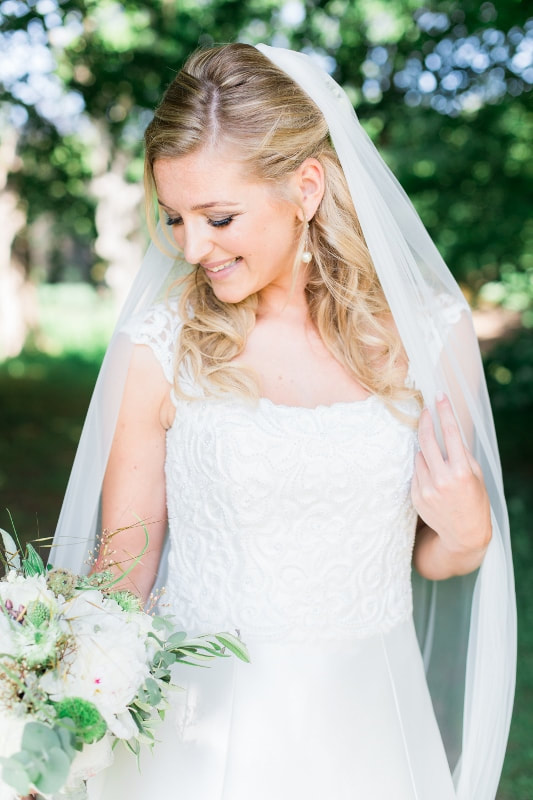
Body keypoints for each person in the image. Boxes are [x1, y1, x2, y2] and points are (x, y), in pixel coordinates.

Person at [51, 44, 516, 799]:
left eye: (219, 216)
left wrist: (467, 532)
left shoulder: (430, 335)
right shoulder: (159, 347)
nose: (191, 246)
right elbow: (121, 576)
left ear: (305, 188)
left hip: (368, 725)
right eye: (174, 217)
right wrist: (50, 716)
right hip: (193, 741)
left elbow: (431, 555)